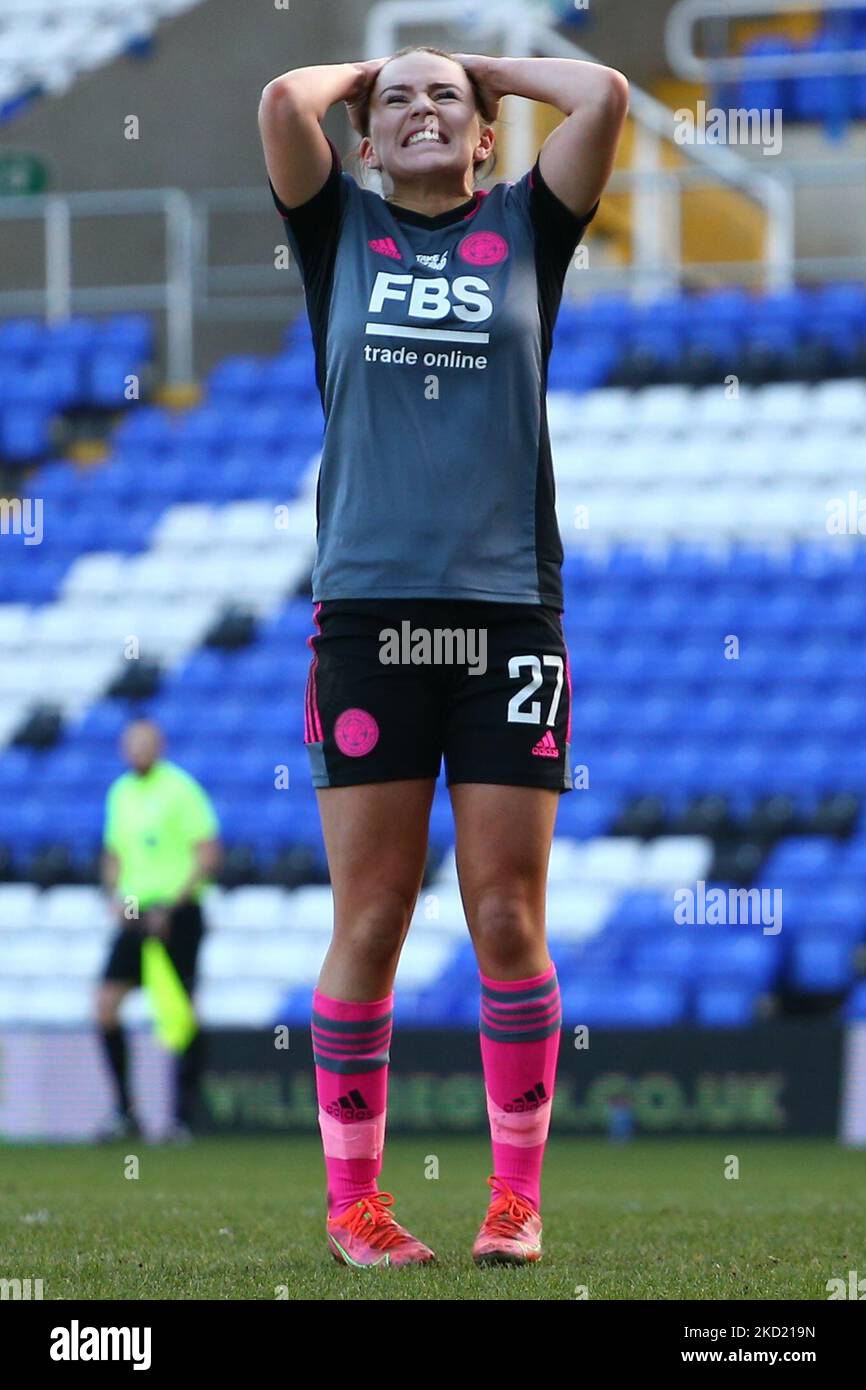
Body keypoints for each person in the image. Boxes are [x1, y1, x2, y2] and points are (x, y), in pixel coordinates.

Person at [258, 44, 627, 1267]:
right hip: (365, 615)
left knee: (504, 914)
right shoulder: (337, 235)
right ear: (364, 140)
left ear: (485, 139)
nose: (422, 111)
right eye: (397, 104)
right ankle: (351, 1207)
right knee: (369, 916)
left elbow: (604, 98)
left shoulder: (531, 226)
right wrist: (376, 71)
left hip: (508, 616)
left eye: (448, 105)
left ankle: (512, 1201)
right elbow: (279, 103)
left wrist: (482, 69)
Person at [94, 719, 221, 1143]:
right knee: (106, 1005)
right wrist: (116, 897)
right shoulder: (121, 793)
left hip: (177, 915)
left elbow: (207, 854)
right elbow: (113, 855)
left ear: (159, 746)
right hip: (135, 914)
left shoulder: (179, 789)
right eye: (131, 744)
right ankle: (126, 1112)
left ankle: (182, 1116)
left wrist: (174, 902)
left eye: (145, 743)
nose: (138, 751)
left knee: (181, 1011)